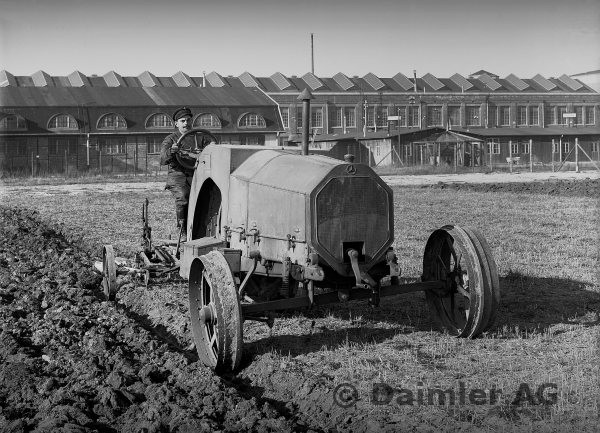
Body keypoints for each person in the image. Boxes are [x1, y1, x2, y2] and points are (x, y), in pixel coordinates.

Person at [160, 107, 196, 239]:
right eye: (182, 121)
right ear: (176, 124)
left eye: (188, 120)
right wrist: (171, 151)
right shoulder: (170, 139)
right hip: (177, 175)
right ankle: (182, 231)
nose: (186, 123)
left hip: (196, 173)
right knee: (183, 197)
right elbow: (163, 159)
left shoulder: (199, 137)